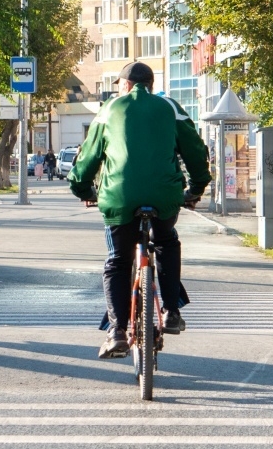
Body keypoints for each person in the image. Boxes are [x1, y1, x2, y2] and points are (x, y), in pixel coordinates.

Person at [69, 61, 211, 359]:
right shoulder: (170, 107)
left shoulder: (109, 109)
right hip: (165, 196)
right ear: (152, 84)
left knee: (118, 261)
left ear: (125, 86)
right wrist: (195, 189)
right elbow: (196, 152)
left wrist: (84, 191)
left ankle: (118, 330)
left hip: (119, 196)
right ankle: (172, 312)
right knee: (167, 242)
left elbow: (88, 158)